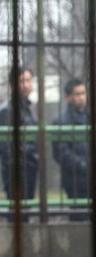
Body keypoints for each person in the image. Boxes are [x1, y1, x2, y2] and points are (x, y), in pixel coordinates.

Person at [52, 78, 96, 221]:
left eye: (83, 93)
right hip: (75, 180)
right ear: (68, 97)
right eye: (77, 94)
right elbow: (60, 153)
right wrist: (83, 165)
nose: (82, 97)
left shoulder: (92, 116)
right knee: (80, 221)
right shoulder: (60, 122)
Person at [0, 66, 38, 202]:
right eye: (22, 81)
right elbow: (5, 146)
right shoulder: (7, 110)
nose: (26, 85)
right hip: (16, 170)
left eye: (29, 80)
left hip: (30, 167)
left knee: (26, 210)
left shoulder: (28, 107)